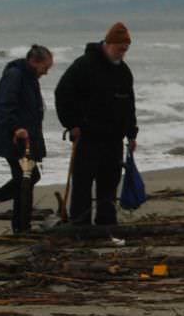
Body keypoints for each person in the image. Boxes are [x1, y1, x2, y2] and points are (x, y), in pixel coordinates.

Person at [54, 21, 138, 228]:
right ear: (109, 44)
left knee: (109, 182)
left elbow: (129, 103)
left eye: (125, 50)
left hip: (114, 138)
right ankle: (80, 224)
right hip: (87, 136)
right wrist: (71, 124)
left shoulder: (123, 71)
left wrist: (131, 134)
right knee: (83, 182)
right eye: (120, 49)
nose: (122, 53)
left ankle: (106, 222)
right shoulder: (84, 65)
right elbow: (62, 93)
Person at [0, 45, 53, 233]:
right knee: (27, 177)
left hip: (25, 137)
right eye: (45, 67)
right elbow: (3, 106)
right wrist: (17, 128)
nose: (46, 72)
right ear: (35, 62)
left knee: (26, 179)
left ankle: (22, 227)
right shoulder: (15, 75)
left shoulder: (29, 77)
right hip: (13, 137)